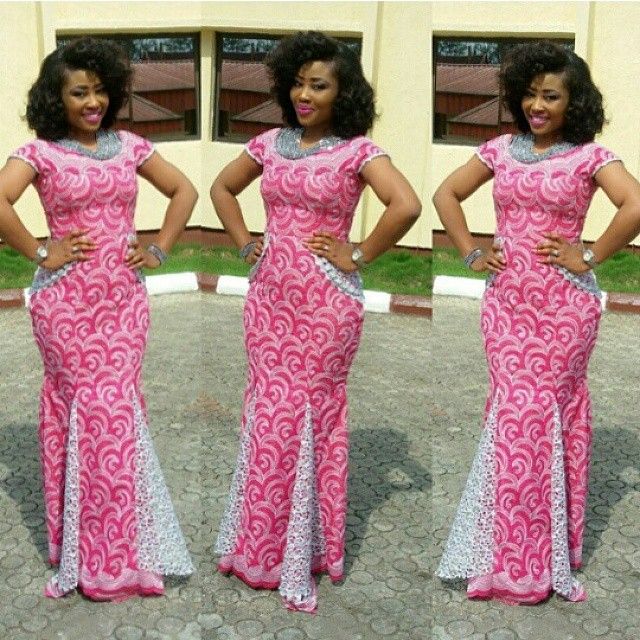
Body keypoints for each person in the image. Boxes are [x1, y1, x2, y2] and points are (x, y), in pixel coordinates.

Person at [210, 31, 421, 612]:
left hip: (327, 303)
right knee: (269, 412)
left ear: (342, 93)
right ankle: (258, 544)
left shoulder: (357, 151)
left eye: (319, 86)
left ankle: (303, 550)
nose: (304, 95)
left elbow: (406, 205)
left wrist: (359, 253)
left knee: (304, 413)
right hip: (270, 299)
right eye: (298, 84)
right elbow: (222, 188)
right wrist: (245, 242)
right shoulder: (269, 144)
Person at [434, 41, 640, 604]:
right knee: (513, 418)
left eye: (551, 96)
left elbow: (635, 204)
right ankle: (502, 550)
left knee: (539, 416)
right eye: (529, 94)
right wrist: (471, 251)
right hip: (506, 305)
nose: (537, 106)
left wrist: (589, 255)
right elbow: (446, 194)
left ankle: (540, 557)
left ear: (574, 102)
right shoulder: (500, 150)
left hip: (564, 308)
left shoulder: (590, 157)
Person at [0, 37, 196, 600]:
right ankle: (86, 552)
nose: (93, 102)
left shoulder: (130, 146)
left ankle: (121, 548)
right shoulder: (39, 153)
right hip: (65, 303)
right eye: (79, 93)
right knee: (90, 412)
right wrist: (42, 251)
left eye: (100, 91)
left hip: (123, 302)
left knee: (116, 414)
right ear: (55, 99)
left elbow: (183, 191)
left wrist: (159, 247)